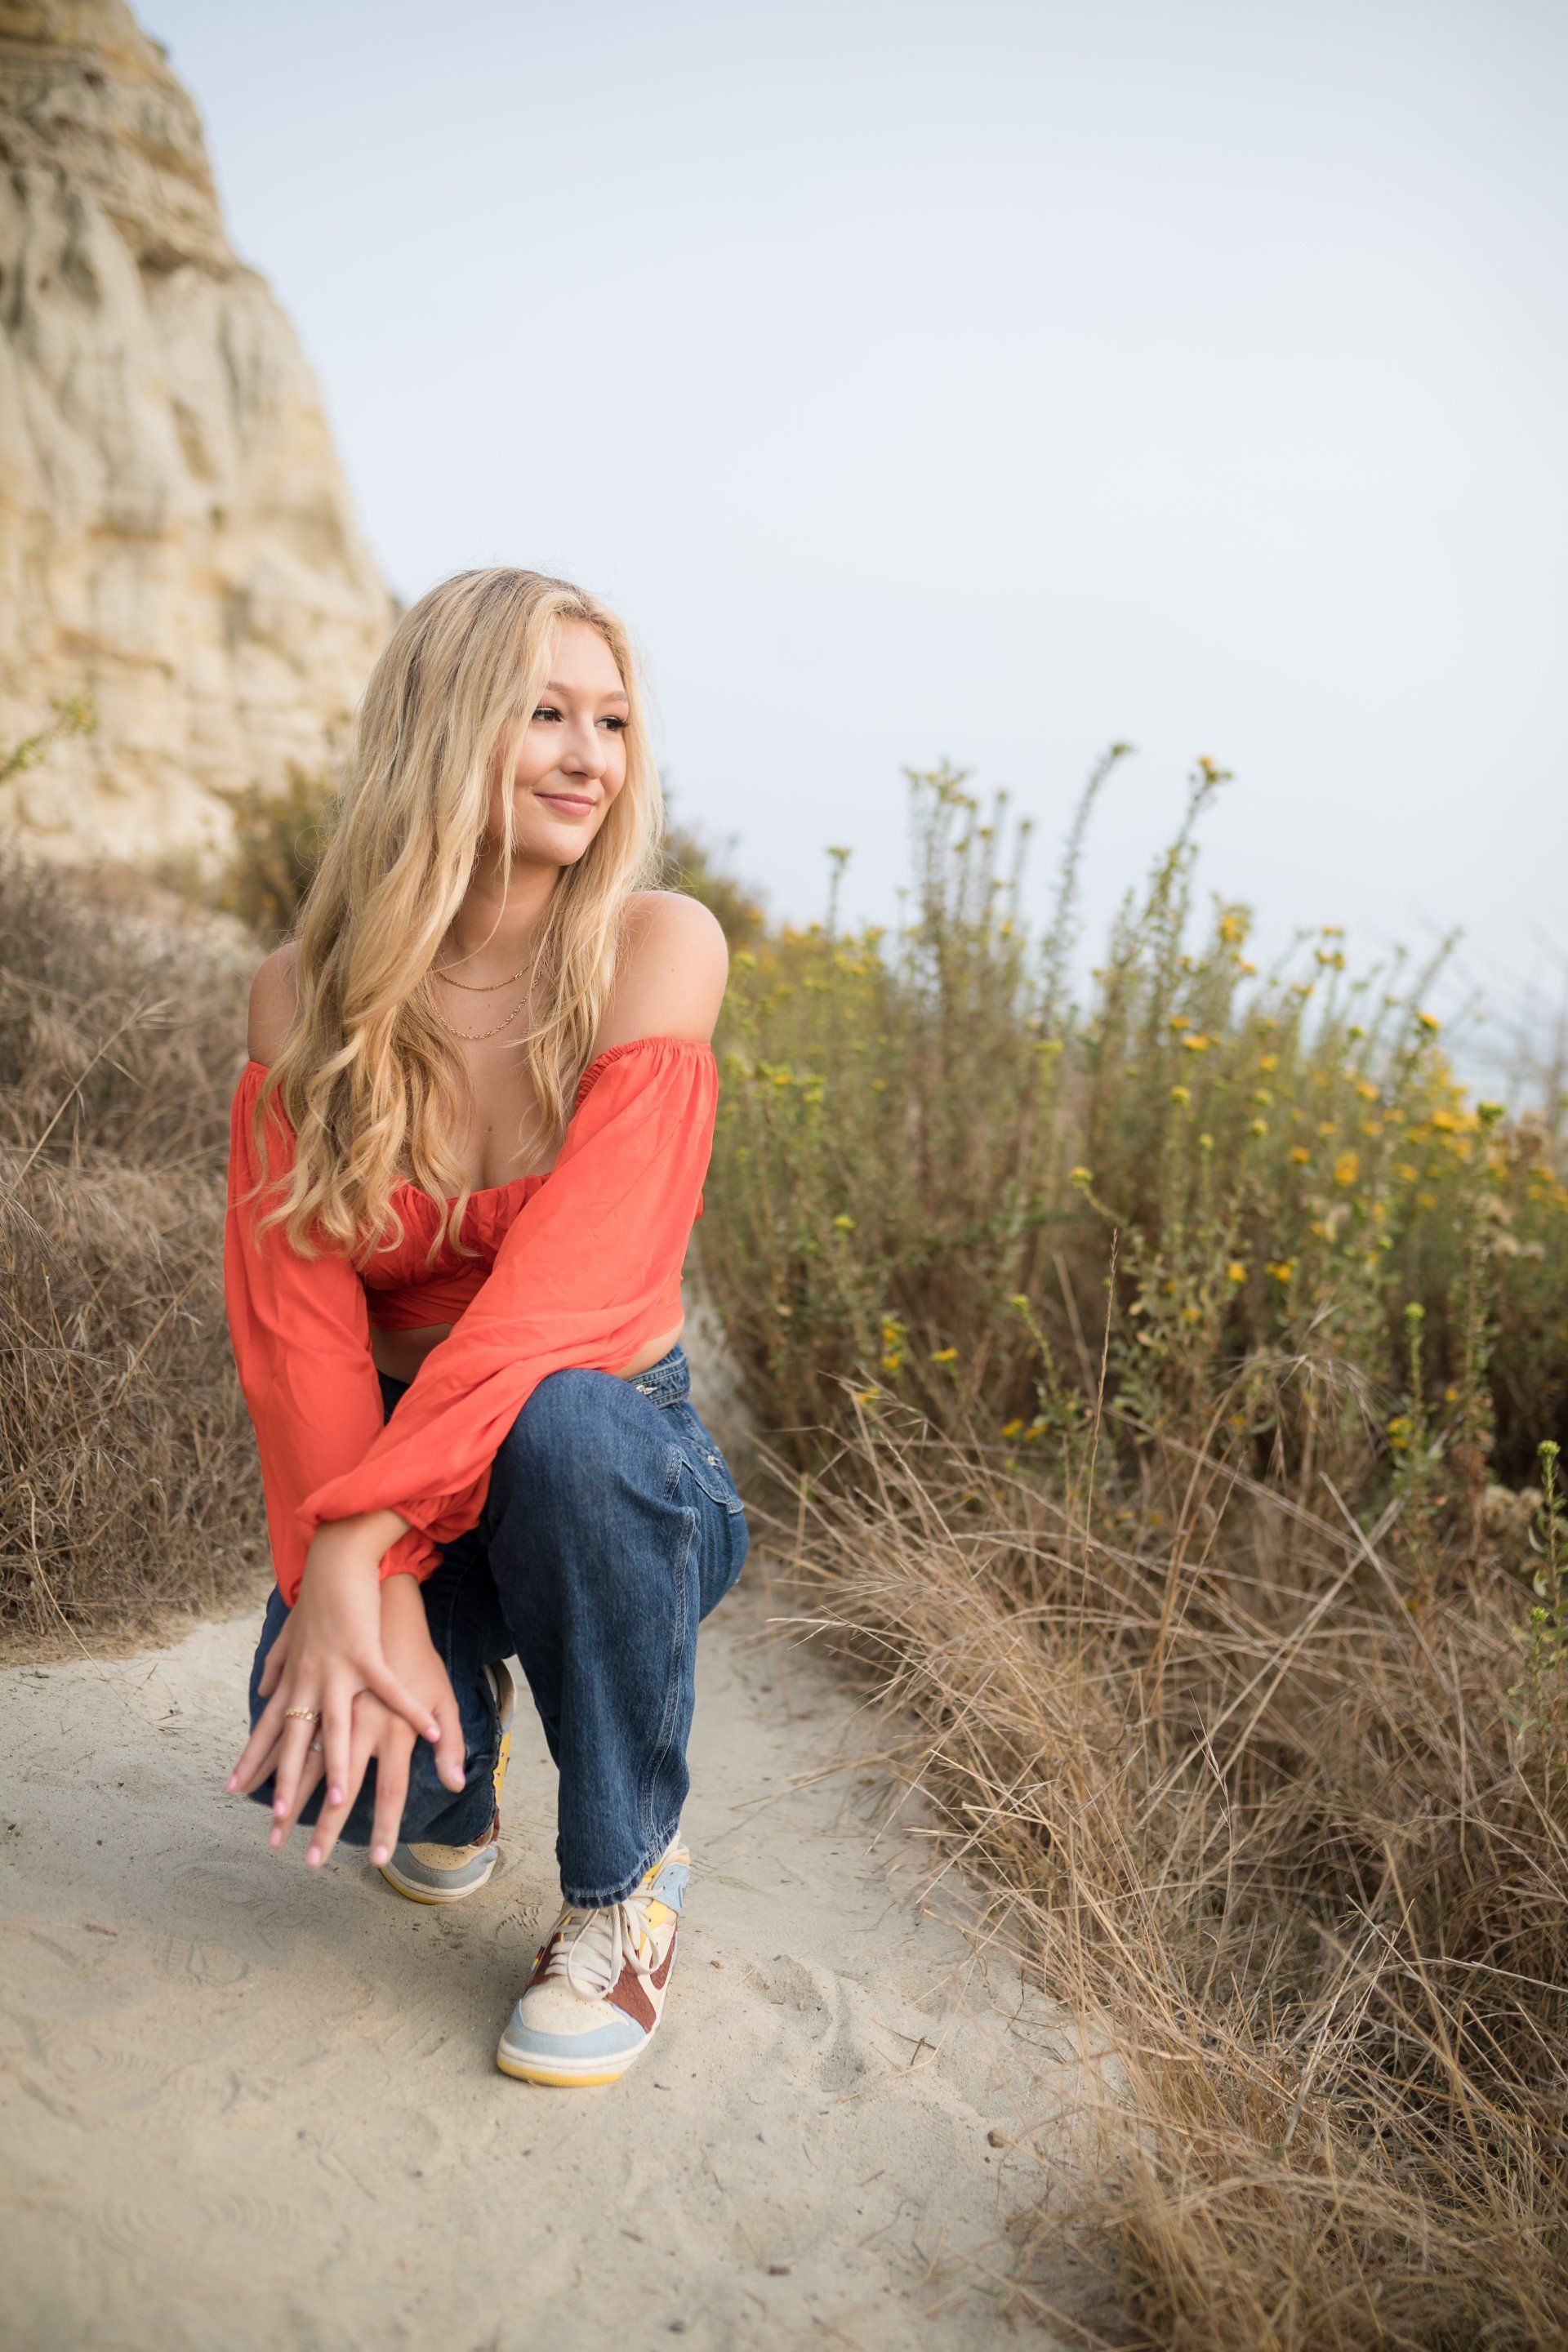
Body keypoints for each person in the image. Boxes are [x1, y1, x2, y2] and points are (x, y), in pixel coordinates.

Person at [221, 567, 750, 2088]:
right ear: (445, 725)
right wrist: (357, 1568)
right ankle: (471, 1775)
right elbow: (298, 1324)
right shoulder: (305, 994)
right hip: (394, 1460)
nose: (592, 756)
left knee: (568, 1423)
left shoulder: (659, 946)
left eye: (615, 721)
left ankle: (627, 1888)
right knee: (360, 1784)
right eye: (545, 713)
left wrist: (352, 1543)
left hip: (614, 1467)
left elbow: (562, 1302)